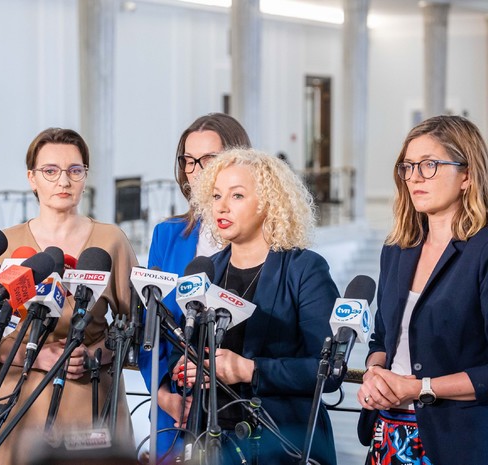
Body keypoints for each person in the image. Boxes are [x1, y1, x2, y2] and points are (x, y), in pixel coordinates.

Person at [169, 148, 340, 464]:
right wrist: (185, 368)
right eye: (216, 196)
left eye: (237, 196)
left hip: (283, 444)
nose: (221, 206)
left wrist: (249, 370)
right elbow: (188, 349)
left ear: (268, 203)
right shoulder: (206, 270)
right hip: (212, 443)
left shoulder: (305, 269)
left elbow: (327, 371)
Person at [0, 127, 139, 464]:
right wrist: (36, 356)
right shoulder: (7, 244)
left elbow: (136, 325)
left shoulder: (111, 240)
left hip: (91, 396)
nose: (64, 181)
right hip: (20, 397)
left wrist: (96, 354)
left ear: (85, 177)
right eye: (50, 171)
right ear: (32, 178)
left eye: (75, 170)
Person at [357, 115, 488, 465]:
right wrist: (374, 373)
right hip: (387, 433)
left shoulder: (482, 251)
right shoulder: (398, 248)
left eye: (429, 165)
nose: (414, 177)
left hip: (457, 442)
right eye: (408, 166)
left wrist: (420, 388)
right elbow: (382, 340)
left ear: (467, 175)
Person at [142, 113, 251, 462]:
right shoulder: (167, 235)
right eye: (189, 161)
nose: (196, 171)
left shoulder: (264, 244)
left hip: (242, 412)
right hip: (176, 411)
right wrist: (163, 394)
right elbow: (150, 324)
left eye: (208, 159)